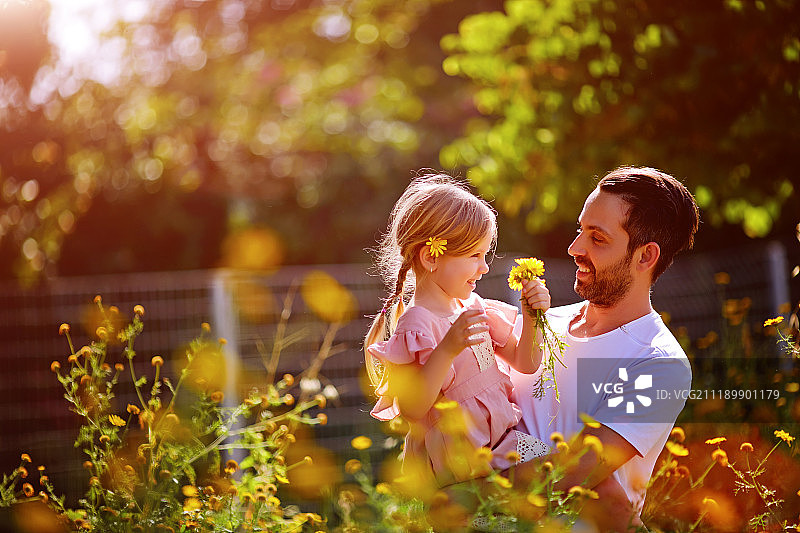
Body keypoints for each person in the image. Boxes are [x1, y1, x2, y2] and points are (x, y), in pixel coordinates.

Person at [511, 166, 699, 527]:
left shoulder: (658, 363)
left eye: (597, 238)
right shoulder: (541, 324)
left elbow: (567, 475)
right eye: (580, 230)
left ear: (645, 256)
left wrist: (453, 490)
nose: (574, 248)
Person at [363, 173, 552, 489]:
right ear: (431, 257)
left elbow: (526, 362)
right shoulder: (416, 326)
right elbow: (412, 409)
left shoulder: (474, 307)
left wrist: (532, 317)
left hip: (502, 445)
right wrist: (447, 349)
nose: (484, 267)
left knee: (557, 473)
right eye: (474, 256)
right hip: (459, 468)